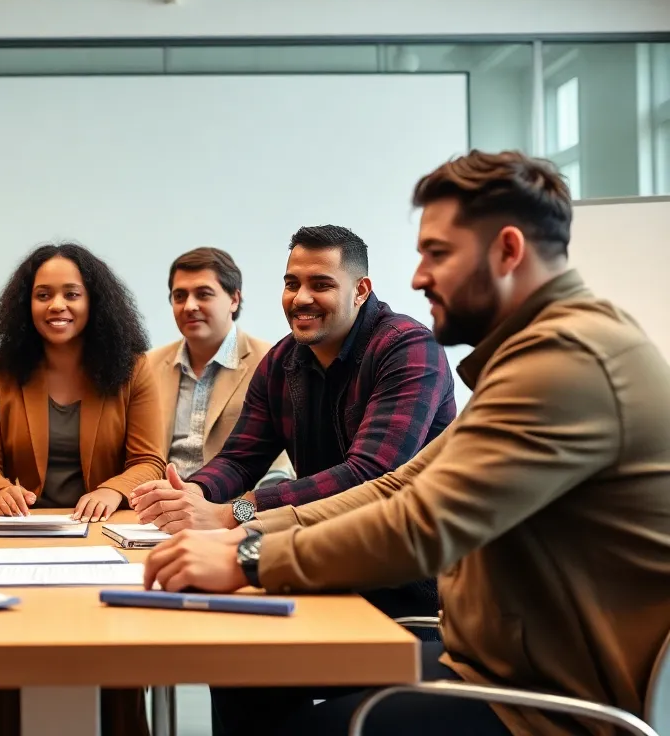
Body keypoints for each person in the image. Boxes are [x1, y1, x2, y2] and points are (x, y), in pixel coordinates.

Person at [142, 150, 670, 736]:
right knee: (248, 668)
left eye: (437, 254)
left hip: (547, 700)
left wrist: (248, 554)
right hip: (488, 663)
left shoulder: (566, 362)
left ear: (508, 251)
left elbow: (420, 523)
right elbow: (400, 485)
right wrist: (246, 532)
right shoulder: (534, 353)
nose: (419, 276)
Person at [131, 226, 456, 621]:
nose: (301, 298)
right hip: (316, 561)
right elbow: (239, 458)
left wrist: (235, 512)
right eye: (291, 284)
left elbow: (369, 474)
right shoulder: (281, 360)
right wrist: (192, 494)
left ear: (361, 290)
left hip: (403, 583)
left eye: (321, 284)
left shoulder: (408, 347)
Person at [0, 242, 165, 736]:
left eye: (71, 294)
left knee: (112, 653)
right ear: (26, 304)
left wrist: (114, 490)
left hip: (106, 538)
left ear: (94, 300)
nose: (57, 305)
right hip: (21, 538)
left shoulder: (132, 368)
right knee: (10, 653)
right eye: (43, 295)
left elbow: (149, 462)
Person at [146, 247, 292, 487]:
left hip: (234, 503)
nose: (189, 306)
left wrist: (241, 508)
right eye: (179, 296)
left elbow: (278, 469)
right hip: (156, 501)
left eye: (203, 294)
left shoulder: (272, 363)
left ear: (234, 300)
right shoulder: (147, 366)